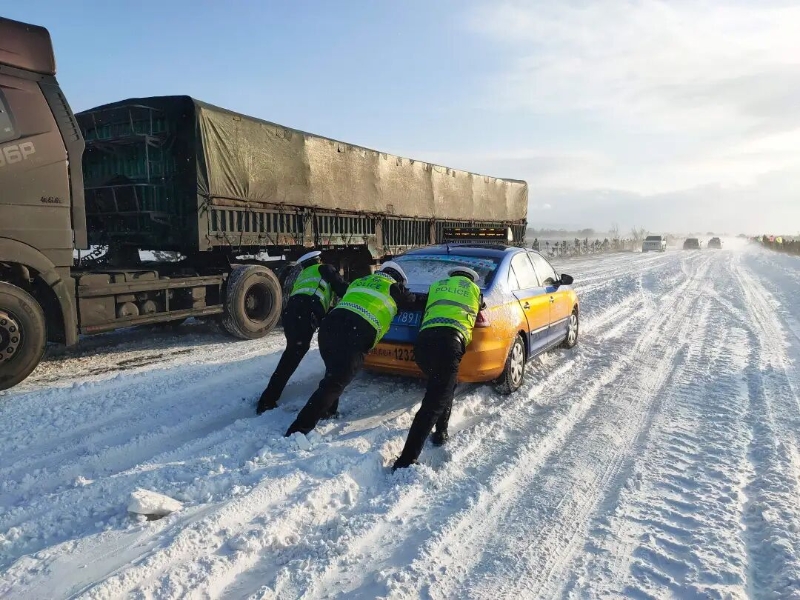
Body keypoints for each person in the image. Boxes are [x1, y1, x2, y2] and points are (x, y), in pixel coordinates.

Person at [284, 261, 416, 436]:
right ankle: (298, 430)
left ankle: (328, 411)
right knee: (334, 383)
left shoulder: (360, 281)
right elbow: (412, 301)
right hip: (356, 333)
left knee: (332, 372)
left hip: (329, 327)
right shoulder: (394, 287)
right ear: (399, 279)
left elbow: (342, 288)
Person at [393, 266, 483, 470]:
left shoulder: (437, 286)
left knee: (444, 387)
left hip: (423, 345)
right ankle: (406, 460)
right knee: (433, 402)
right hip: (448, 344)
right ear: (471, 279)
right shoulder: (474, 290)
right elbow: (481, 307)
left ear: (451, 276)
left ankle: (441, 431)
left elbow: (419, 302)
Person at [256, 251, 349, 414]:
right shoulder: (324, 268)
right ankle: (327, 405)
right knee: (329, 354)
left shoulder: (304, 275)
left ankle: (268, 398)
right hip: (306, 314)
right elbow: (342, 289)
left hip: (292, 314)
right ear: (318, 260)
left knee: (291, 356)